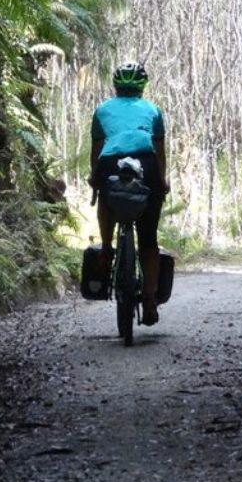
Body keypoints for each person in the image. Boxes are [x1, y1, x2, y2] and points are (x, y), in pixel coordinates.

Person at [88, 61, 170, 325]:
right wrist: (162, 181)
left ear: (116, 87)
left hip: (111, 164)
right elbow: (159, 152)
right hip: (145, 166)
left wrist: (93, 177)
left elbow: (97, 149)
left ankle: (107, 248)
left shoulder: (102, 110)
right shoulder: (153, 111)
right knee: (148, 240)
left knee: (104, 193)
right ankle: (149, 299)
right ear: (142, 87)